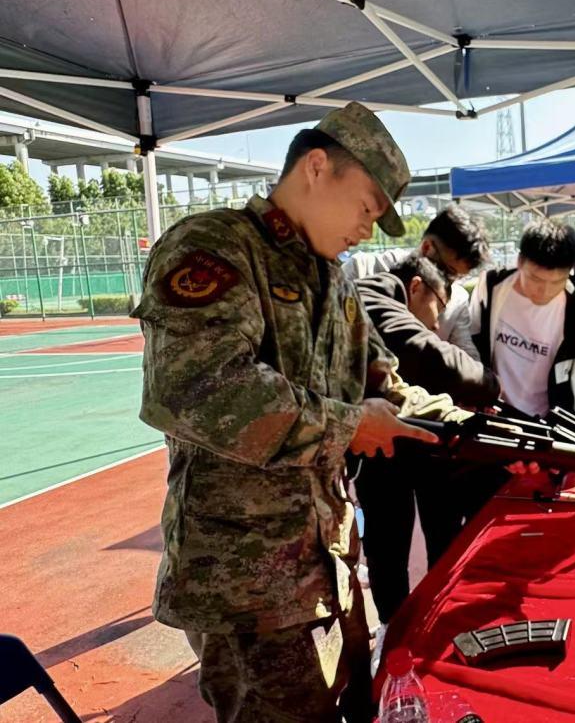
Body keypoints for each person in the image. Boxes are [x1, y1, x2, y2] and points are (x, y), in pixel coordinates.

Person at [132, 103, 472, 723]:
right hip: (246, 588)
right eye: (366, 207)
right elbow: (200, 390)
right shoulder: (215, 247)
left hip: (329, 570)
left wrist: (483, 430)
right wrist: (350, 425)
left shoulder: (332, 280)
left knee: (360, 705)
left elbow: (385, 384)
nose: (368, 230)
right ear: (317, 167)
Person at [355, 253, 501, 626]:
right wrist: (488, 387)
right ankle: (394, 631)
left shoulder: (379, 302)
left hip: (420, 444)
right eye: (438, 305)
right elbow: (429, 354)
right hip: (383, 450)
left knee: (436, 540)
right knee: (388, 546)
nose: (437, 323)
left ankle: (428, 622)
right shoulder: (372, 297)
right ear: (416, 287)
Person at [470, 219, 575, 425]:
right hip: (492, 416)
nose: (545, 291)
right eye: (536, 279)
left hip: (542, 425)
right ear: (520, 261)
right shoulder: (492, 286)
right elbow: (470, 343)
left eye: (557, 282)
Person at [343, 204, 490, 360]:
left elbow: (468, 358)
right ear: (426, 247)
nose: (450, 283)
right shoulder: (362, 270)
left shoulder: (457, 301)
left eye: (459, 277)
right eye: (448, 271)